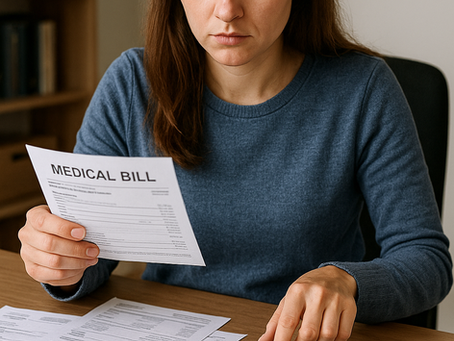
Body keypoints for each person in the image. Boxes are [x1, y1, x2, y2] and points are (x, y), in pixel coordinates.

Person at [18, 0, 452, 340]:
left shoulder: (363, 90)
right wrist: (60, 260)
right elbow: (92, 252)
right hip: (168, 327)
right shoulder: (133, 82)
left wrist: (348, 282)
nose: (227, 11)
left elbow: (427, 261)